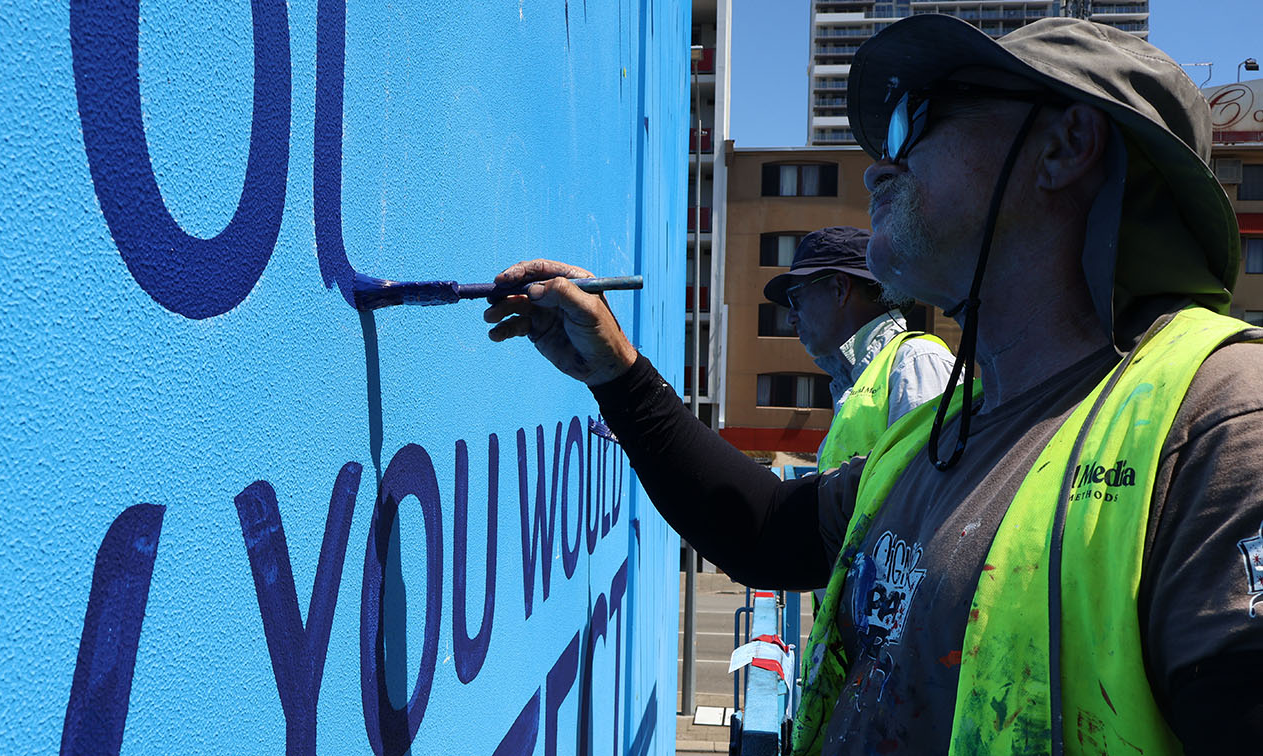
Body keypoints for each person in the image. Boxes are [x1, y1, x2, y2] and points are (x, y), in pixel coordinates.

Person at [483, 14, 1263, 754]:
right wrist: (615, 371)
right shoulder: (942, 434)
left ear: (1064, 146)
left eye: (914, 119)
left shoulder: (1221, 418)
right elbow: (762, 531)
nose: (876, 163)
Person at [761, 226, 955, 470]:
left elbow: (928, 491)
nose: (790, 317)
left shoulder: (916, 362)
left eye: (795, 298)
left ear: (839, 289)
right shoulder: (859, 381)